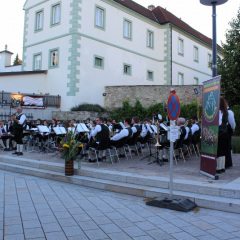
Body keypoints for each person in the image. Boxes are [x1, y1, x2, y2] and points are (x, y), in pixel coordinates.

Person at [216, 98, 229, 174]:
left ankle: (218, 168)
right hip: (225, 132)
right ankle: (222, 167)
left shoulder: (220, 111)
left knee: (219, 150)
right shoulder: (226, 112)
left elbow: (219, 123)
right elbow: (226, 123)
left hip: (220, 132)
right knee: (223, 151)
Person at [225, 100, 236, 169]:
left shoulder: (229, 112)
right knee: (226, 146)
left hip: (228, 130)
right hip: (226, 130)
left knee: (228, 146)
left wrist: (233, 129)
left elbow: (232, 122)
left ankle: (228, 162)